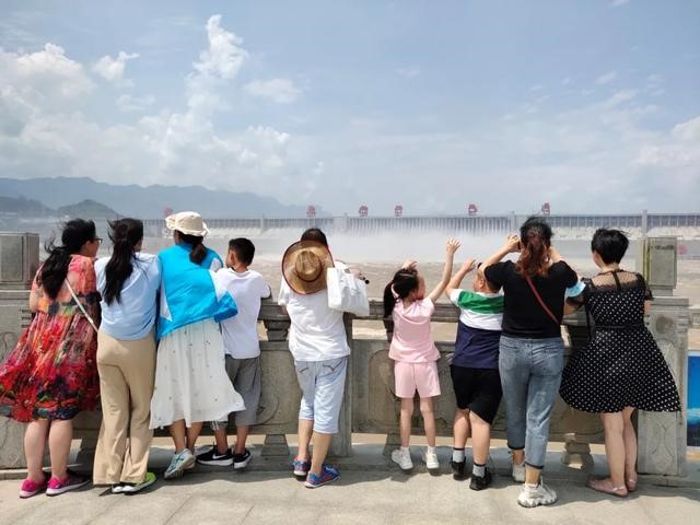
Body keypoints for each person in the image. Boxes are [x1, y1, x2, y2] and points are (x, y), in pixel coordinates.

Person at [559, 228, 681, 497]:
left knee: (612, 425)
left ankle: (616, 483)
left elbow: (566, 308)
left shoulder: (591, 286)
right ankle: (631, 476)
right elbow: (645, 309)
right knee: (626, 420)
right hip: (640, 352)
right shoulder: (637, 280)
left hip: (606, 355)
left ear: (595, 254)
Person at [481, 217, 578, 508]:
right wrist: (552, 251)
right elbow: (577, 290)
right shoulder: (560, 271)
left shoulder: (509, 271)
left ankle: (518, 465)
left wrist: (506, 249)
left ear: (522, 242)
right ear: (547, 243)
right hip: (548, 350)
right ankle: (532, 486)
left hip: (511, 349)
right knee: (538, 419)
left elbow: (483, 271)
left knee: (515, 409)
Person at [0, 219, 101, 498]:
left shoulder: (48, 265)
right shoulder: (86, 265)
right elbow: (94, 304)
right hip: (70, 347)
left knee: (38, 413)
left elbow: (33, 304)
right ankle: (58, 477)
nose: (97, 246)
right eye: (96, 241)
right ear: (86, 243)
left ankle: (33, 479)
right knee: (61, 413)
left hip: (39, 343)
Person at [149, 211, 244, 480]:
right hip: (207, 331)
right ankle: (189, 447)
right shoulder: (213, 258)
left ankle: (181, 450)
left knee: (173, 388)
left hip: (174, 330)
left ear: (176, 234)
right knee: (202, 387)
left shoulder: (163, 259)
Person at [278, 228, 351, 489]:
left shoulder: (289, 275)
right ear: (326, 249)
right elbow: (352, 298)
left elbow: (284, 307)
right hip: (331, 352)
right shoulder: (337, 271)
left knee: (308, 403)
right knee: (326, 414)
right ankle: (316, 472)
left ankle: (301, 458)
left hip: (302, 352)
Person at [93, 218, 160, 494]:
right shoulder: (151, 264)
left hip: (106, 343)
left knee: (113, 411)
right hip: (138, 345)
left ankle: (110, 473)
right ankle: (134, 476)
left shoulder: (100, 266)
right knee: (141, 410)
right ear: (140, 241)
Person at [384, 239, 460, 472]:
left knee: (406, 410)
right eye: (421, 285)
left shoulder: (397, 307)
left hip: (403, 364)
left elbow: (392, 287)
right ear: (416, 291)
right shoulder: (425, 307)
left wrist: (404, 268)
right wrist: (449, 255)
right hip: (425, 362)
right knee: (428, 410)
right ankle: (431, 454)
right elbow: (446, 280)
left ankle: (405, 454)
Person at [196, 238, 271, 469]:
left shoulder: (220, 277)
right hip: (249, 349)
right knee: (247, 398)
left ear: (232, 255)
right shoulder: (257, 279)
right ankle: (240, 451)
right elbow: (267, 293)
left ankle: (221, 450)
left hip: (224, 351)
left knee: (218, 399)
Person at [445, 259, 504, 490]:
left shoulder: (466, 299)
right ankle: (479, 475)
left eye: (476, 277)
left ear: (480, 282)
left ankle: (458, 461)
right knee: (480, 421)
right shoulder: (506, 302)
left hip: (462, 365)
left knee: (462, 410)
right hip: (491, 367)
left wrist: (461, 269)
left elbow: (449, 287)